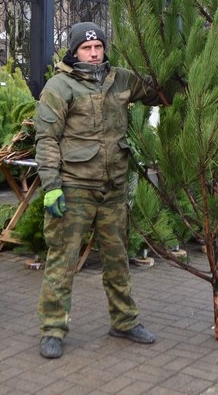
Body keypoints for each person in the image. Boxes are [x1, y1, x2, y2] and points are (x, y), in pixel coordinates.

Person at [34, 22, 169, 360]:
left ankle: (124, 321)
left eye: (98, 48)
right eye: (86, 49)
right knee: (63, 262)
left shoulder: (119, 79)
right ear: (74, 51)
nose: (94, 54)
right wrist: (51, 186)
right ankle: (53, 328)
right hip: (75, 187)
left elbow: (158, 93)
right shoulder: (59, 86)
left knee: (118, 260)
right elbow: (47, 139)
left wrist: (174, 64)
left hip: (114, 188)